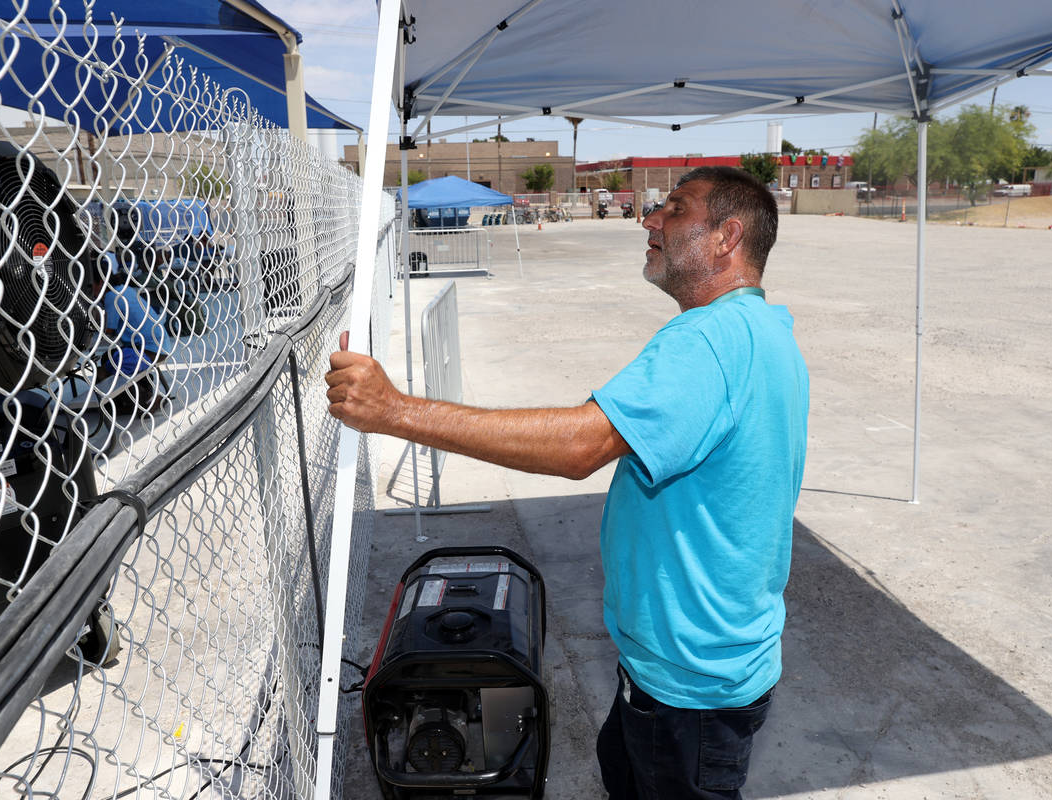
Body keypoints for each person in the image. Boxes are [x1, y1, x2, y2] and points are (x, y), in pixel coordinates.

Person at [325, 166, 809, 799]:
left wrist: (396, 412)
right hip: (701, 662)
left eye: (675, 208)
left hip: (689, 685)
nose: (650, 219)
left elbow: (582, 445)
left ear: (726, 237)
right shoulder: (766, 332)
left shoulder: (709, 341)